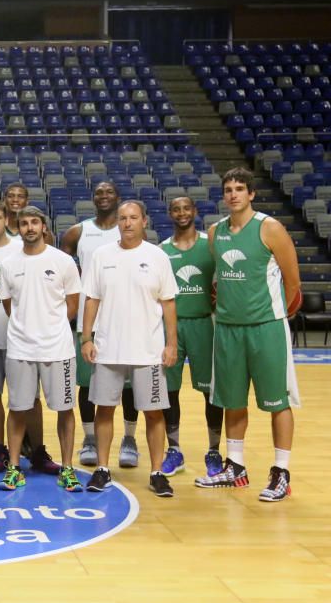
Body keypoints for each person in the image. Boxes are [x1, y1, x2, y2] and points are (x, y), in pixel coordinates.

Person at [194, 168, 301, 502]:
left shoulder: (270, 228)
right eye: (228, 189)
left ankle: (281, 472)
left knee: (277, 401)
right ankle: (235, 467)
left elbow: (293, 283)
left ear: (251, 194)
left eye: (240, 188)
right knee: (232, 400)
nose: (233, 194)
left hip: (266, 328)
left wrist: (275, 316)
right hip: (227, 329)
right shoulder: (215, 233)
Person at [80, 200, 178, 497]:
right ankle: (102, 468)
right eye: (123, 218)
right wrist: (87, 338)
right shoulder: (101, 255)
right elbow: (92, 299)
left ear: (144, 221)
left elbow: (169, 302)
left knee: (154, 413)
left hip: (148, 349)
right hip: (108, 348)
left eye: (133, 217)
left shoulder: (158, 256)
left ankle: (157, 472)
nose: (127, 223)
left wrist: (171, 343)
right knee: (104, 409)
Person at [0, 182, 59, 474]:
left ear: (5, 221)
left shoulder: (22, 249)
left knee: (30, 399)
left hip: (22, 337)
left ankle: (37, 450)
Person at [0, 207, 84, 492]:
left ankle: (68, 468)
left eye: (34, 222)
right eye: (24, 223)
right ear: (18, 228)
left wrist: (50, 326)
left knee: (64, 409)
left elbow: (72, 305)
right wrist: (29, 326)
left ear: (44, 227)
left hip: (57, 348)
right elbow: (9, 306)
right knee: (19, 409)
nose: (29, 227)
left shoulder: (63, 261)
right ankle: (13, 468)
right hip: (20, 348)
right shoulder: (9, 264)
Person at [61, 180, 141, 468]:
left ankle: (129, 439)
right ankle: (90, 438)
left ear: (118, 198)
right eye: (99, 193)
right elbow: (65, 269)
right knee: (86, 383)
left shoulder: (129, 233)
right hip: (89, 321)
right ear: (92, 198)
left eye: (109, 192)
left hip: (126, 320)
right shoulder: (78, 232)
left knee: (129, 386)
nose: (104, 196)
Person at [160, 196, 223, 477]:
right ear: (170, 213)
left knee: (211, 392)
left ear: (195, 212)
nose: (182, 213)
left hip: (204, 324)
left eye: (186, 208)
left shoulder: (210, 247)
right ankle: (174, 450)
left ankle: (214, 450)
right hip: (171, 326)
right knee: (169, 391)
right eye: (176, 208)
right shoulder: (161, 251)